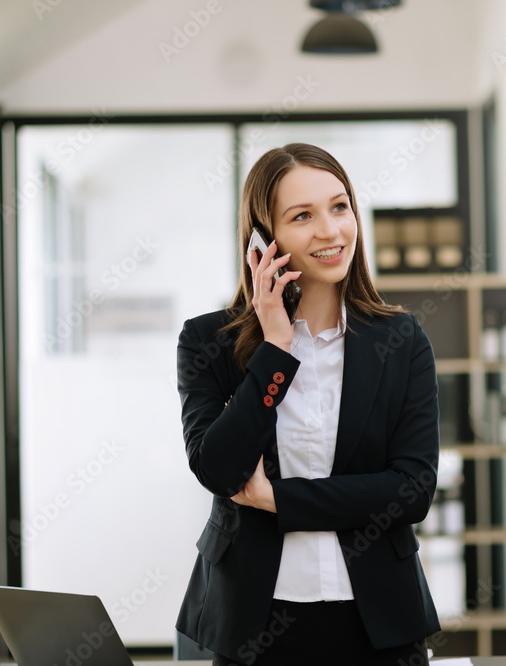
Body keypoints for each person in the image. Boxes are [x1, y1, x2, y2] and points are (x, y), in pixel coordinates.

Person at [175, 143, 441, 666]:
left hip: (379, 621)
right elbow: (219, 469)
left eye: (339, 207)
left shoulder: (401, 341)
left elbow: (411, 491)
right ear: (261, 239)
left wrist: (280, 499)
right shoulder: (208, 341)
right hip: (253, 619)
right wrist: (275, 349)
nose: (330, 230)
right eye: (302, 216)